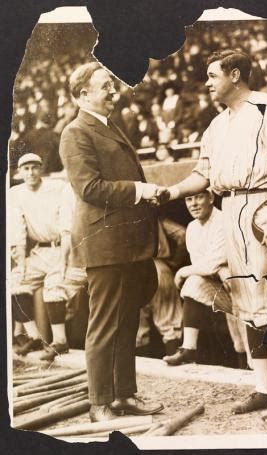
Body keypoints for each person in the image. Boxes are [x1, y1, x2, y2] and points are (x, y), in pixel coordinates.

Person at [158, 49, 267, 424]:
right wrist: (169, 193)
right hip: (231, 207)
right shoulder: (216, 125)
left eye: (212, 75)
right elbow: (203, 175)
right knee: (247, 302)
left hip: (264, 204)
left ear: (235, 75)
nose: (207, 83)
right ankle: (263, 388)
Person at [59, 62, 165, 422]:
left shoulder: (106, 126)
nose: (114, 90)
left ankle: (123, 395)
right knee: (105, 325)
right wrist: (139, 190)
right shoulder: (75, 132)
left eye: (113, 85)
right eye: (106, 85)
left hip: (126, 242)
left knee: (127, 321)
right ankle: (99, 403)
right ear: (82, 93)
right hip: (105, 245)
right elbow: (88, 188)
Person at [9, 153, 86, 360]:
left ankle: (60, 341)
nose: (31, 172)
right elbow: (18, 231)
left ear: (41, 168)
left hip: (64, 249)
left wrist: (63, 261)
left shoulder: (58, 187)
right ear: (19, 172)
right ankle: (34, 337)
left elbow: (67, 228)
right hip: (40, 251)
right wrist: (21, 262)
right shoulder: (16, 193)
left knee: (54, 286)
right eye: (26, 169)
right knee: (15, 282)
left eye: (34, 167)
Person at [163, 190, 250, 368]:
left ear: (211, 198)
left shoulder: (225, 220)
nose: (193, 204)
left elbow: (212, 263)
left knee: (248, 344)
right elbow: (203, 268)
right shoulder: (192, 228)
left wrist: (181, 272)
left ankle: (258, 379)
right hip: (221, 282)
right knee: (194, 282)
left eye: (199, 197)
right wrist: (196, 272)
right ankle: (188, 348)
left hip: (245, 285)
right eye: (189, 199)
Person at [136, 218, 187, 357]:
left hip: (132, 271)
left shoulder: (116, 213)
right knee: (169, 323)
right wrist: (175, 261)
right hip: (159, 269)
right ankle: (173, 361)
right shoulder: (153, 215)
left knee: (137, 328)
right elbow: (182, 234)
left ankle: (142, 372)